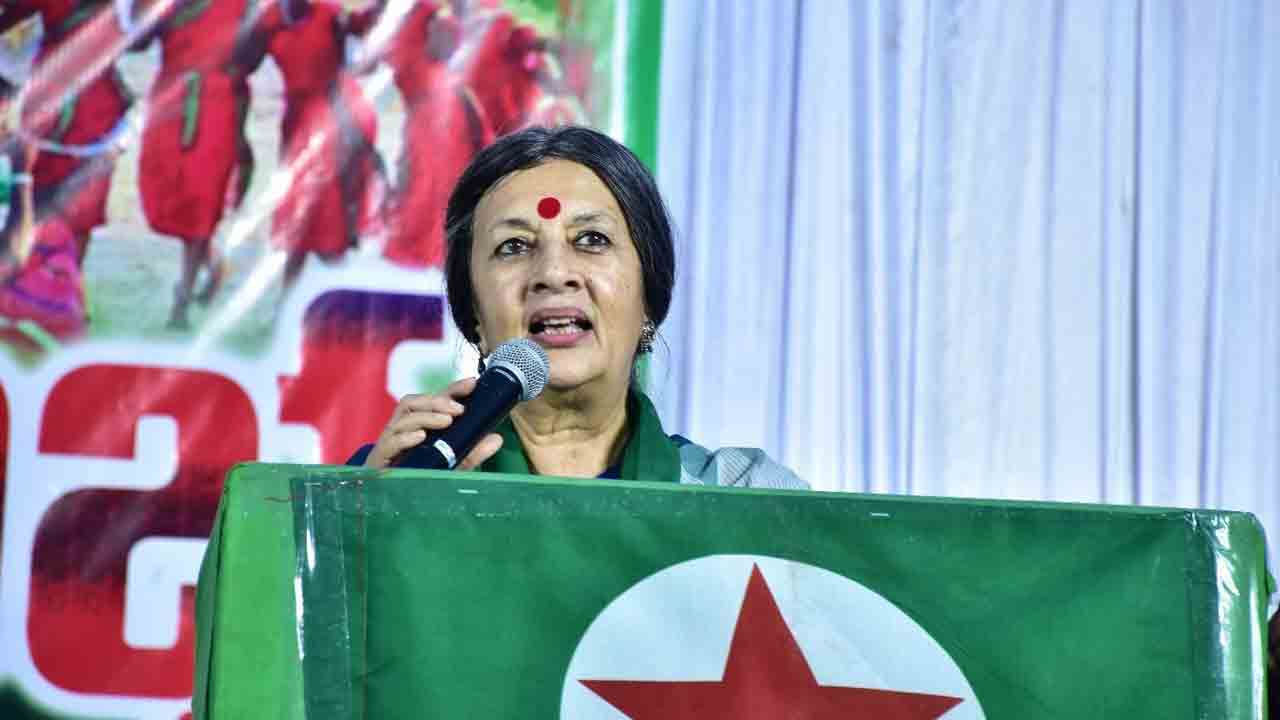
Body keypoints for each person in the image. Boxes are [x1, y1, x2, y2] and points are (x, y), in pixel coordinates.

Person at [350, 125, 805, 489]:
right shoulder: (397, 479)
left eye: (591, 239)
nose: (553, 273)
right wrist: (368, 513)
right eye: (513, 246)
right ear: (474, 314)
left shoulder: (748, 502)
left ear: (649, 297)